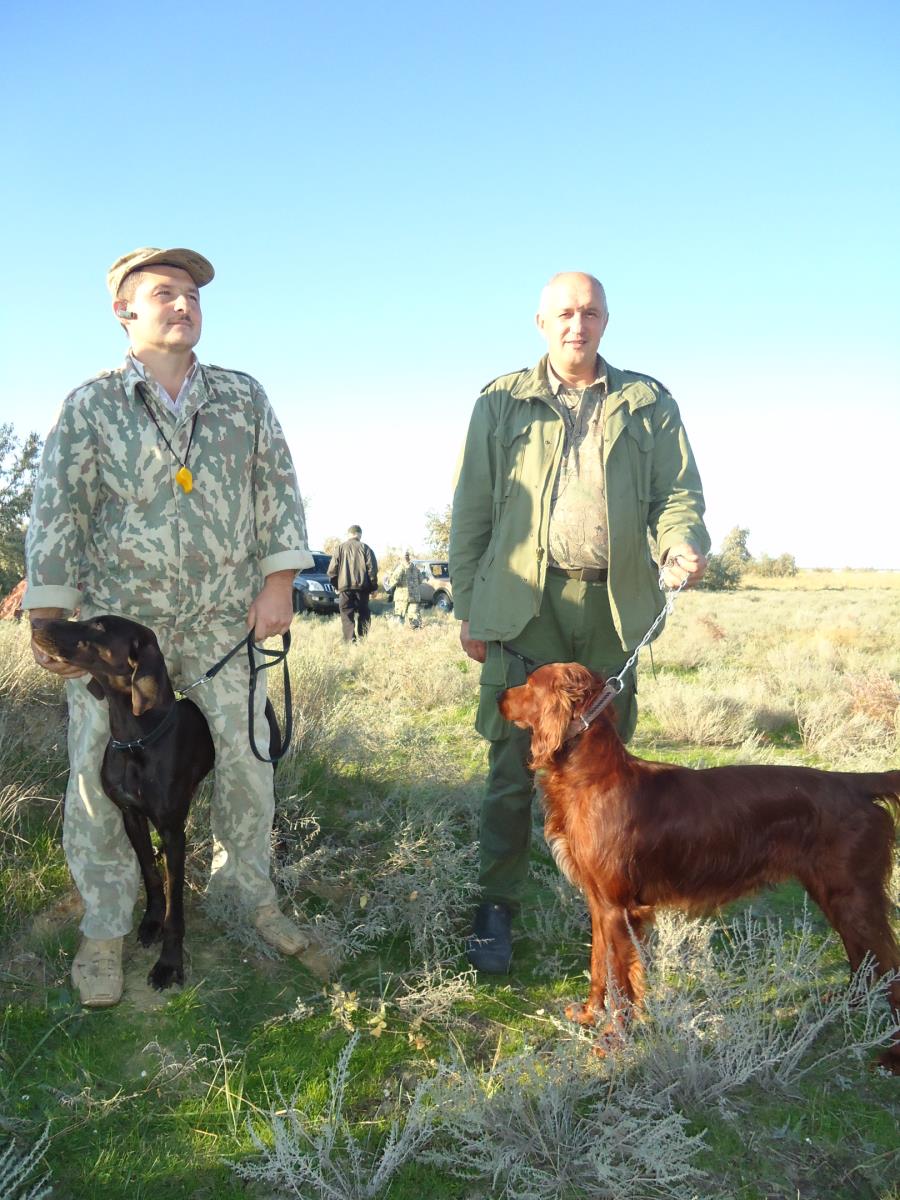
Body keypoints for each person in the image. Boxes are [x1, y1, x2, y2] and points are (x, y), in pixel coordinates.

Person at [25, 246, 315, 1007]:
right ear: (124, 311)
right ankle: (106, 925)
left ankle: (248, 897)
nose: (184, 304)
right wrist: (50, 618)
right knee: (98, 773)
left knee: (248, 759)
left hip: (225, 619)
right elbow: (58, 509)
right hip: (123, 632)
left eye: (192, 293)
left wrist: (278, 582)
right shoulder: (91, 405)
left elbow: (277, 488)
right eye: (164, 292)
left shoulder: (241, 397)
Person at [449, 271, 710, 973]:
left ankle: (610, 902)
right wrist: (469, 606)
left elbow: (678, 495)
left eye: (590, 312)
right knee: (513, 767)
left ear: (605, 321)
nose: (577, 324)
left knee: (607, 773)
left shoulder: (647, 402)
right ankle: (497, 904)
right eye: (564, 312)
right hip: (521, 607)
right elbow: (471, 510)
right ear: (541, 322)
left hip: (612, 610)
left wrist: (680, 542)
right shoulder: (500, 401)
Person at [328, 526, 378, 642]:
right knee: (364, 613)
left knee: (346, 615)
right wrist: (374, 588)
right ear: (360, 535)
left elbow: (331, 571)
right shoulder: (366, 548)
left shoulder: (339, 548)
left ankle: (350, 641)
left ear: (349, 534)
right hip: (363, 589)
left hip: (344, 589)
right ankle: (363, 639)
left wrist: (336, 586)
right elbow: (372, 570)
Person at [391, 551, 422, 627]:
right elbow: (421, 580)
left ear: (401, 558)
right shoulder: (416, 568)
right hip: (414, 596)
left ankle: (399, 633)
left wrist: (389, 579)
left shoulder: (400, 568)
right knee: (414, 616)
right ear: (409, 558)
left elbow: (393, 581)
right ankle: (416, 630)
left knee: (399, 617)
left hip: (402, 597)